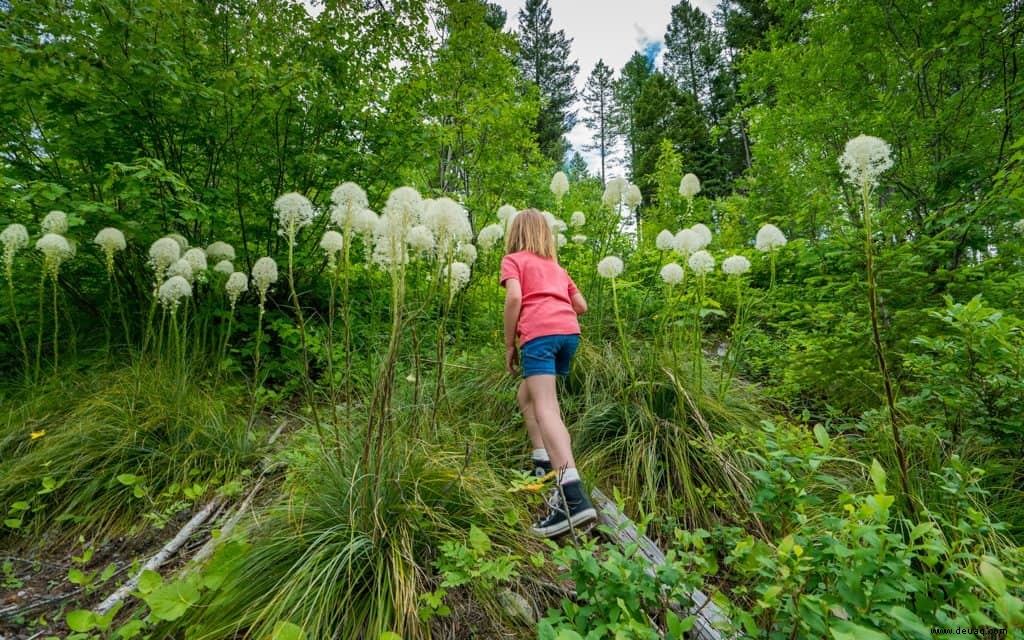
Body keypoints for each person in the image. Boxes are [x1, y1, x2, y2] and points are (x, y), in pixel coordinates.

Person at [500, 208, 597, 537]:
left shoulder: (513, 260)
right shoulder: (556, 267)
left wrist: (509, 344)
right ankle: (542, 461)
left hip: (538, 336)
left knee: (546, 408)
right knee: (526, 396)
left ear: (516, 233)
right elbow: (581, 305)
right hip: (568, 335)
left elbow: (514, 296)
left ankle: (572, 497)